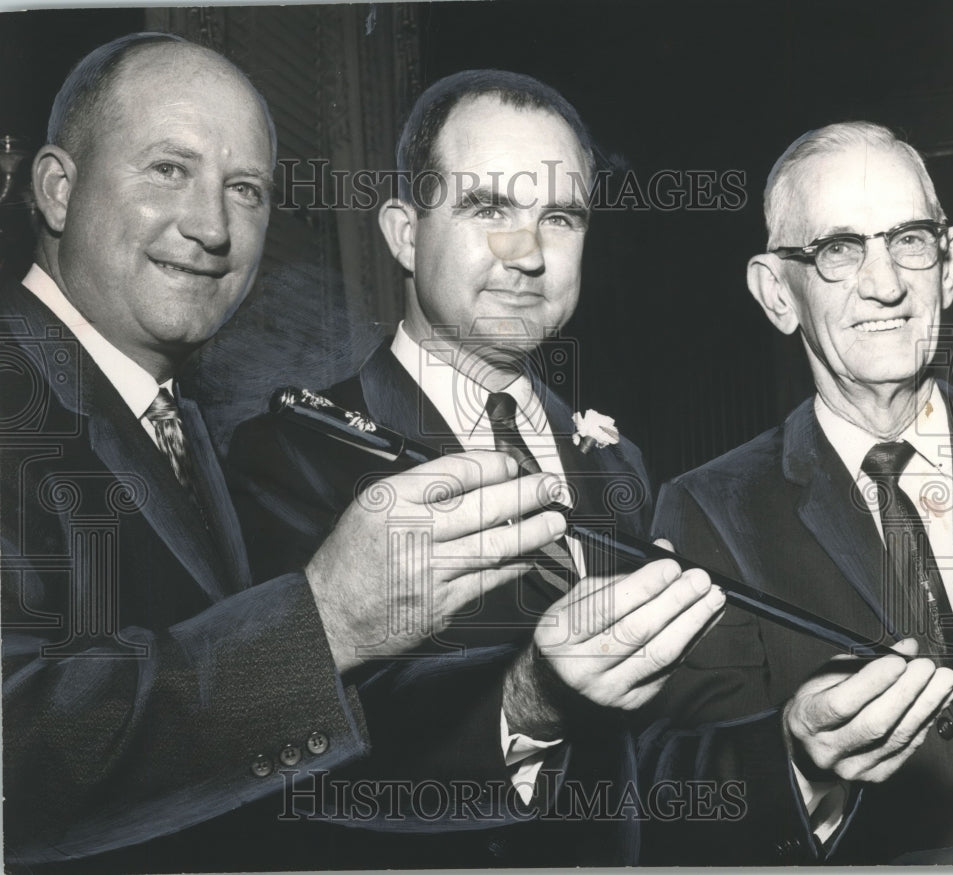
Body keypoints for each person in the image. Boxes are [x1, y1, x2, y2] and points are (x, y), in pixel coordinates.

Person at [0, 35, 573, 872]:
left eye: (245, 190)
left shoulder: (174, 419)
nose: (211, 226)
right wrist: (326, 619)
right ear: (57, 187)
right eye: (169, 169)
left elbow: (254, 773)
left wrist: (534, 697)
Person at [227, 69, 726, 866]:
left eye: (559, 216)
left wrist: (797, 753)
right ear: (403, 231)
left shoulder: (616, 462)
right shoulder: (286, 454)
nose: (527, 252)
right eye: (488, 207)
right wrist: (530, 702)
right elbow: (277, 763)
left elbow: (644, 755)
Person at [638, 121, 953, 864]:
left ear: (950, 262)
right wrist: (795, 760)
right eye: (839, 249)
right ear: (778, 293)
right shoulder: (710, 511)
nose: (886, 283)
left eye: (908, 240)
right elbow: (674, 798)